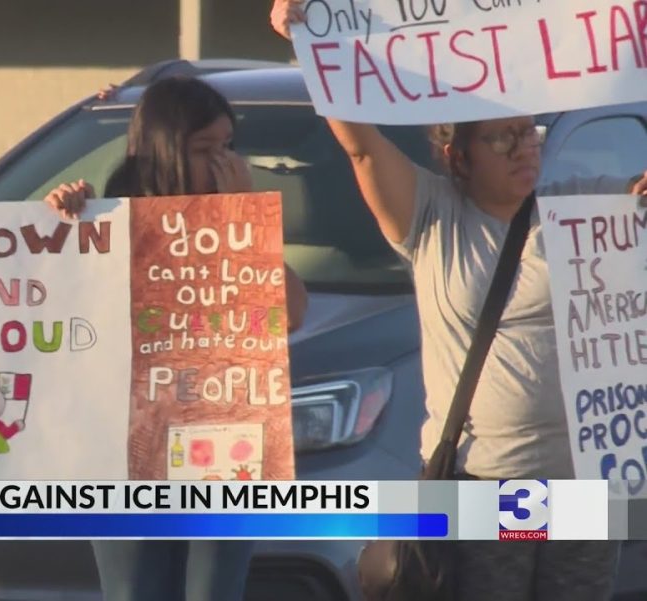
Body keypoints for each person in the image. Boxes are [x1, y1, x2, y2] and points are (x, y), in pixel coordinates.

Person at [271, 2, 647, 599]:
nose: (525, 148)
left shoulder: (579, 208)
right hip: (482, 483)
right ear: (457, 155)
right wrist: (312, 45)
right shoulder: (432, 216)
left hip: (581, 483)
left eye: (530, 133)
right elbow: (363, 148)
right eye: (503, 138)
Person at [43, 75, 308, 601]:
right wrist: (61, 224)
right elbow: (56, 311)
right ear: (163, 149)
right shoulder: (112, 218)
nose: (223, 162)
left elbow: (292, 311)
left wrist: (242, 218)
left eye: (228, 146)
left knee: (213, 590)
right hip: (124, 452)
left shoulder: (237, 225)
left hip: (222, 443)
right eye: (205, 148)